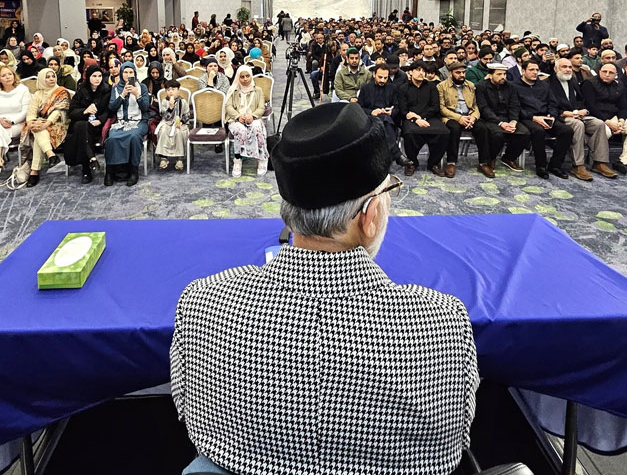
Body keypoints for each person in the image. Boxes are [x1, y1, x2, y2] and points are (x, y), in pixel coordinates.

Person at [172, 102, 478, 475]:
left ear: (289, 210)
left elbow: (187, 415)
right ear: (368, 218)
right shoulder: (442, 321)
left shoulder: (204, 302)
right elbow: (456, 442)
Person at [580, 63, 627, 175]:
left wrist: (621, 121)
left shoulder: (619, 86)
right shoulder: (589, 83)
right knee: (606, 132)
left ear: (616, 75)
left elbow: (623, 106)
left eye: (611, 73)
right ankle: (596, 161)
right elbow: (590, 106)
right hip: (596, 117)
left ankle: (624, 162)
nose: (607, 75)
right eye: (604, 72)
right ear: (599, 72)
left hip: (614, 117)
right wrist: (608, 122)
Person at [514, 60, 573, 180]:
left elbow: (553, 103)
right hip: (527, 118)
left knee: (567, 131)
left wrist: (552, 116)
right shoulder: (514, 86)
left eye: (537, 70)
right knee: (538, 131)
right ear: (523, 71)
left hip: (546, 116)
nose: (535, 72)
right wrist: (534, 118)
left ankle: (555, 165)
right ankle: (541, 165)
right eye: (531, 70)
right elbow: (515, 108)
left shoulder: (544, 85)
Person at [547, 58, 604, 181]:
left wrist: (585, 111)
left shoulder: (572, 81)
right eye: (564, 67)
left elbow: (582, 100)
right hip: (561, 117)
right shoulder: (548, 83)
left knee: (599, 123)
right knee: (578, 125)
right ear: (556, 68)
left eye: (569, 67)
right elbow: (548, 106)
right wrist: (564, 113)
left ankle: (599, 162)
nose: (568, 70)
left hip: (577, 114)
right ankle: (578, 165)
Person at [473, 63, 529, 178]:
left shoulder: (510, 87)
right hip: (490, 119)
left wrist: (513, 121)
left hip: (508, 118)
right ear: (490, 75)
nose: (503, 76)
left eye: (504, 74)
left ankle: (508, 157)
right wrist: (500, 123)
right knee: (497, 134)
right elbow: (484, 108)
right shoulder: (481, 86)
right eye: (499, 74)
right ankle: (490, 159)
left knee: (525, 133)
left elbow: (515, 105)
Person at [0, 65, 32, 187]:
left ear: (14, 75)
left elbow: (25, 111)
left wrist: (11, 121)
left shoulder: (23, 90)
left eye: (10, 74)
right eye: (3, 75)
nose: (7, 77)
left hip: (17, 124)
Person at [397, 61, 449, 177]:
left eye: (423, 71)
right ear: (410, 72)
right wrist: (416, 120)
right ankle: (412, 163)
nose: (421, 73)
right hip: (411, 119)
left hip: (429, 117)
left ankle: (433, 163)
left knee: (444, 132)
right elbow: (403, 110)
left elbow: (435, 106)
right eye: (418, 70)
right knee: (409, 133)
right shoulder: (403, 88)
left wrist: (421, 117)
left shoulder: (432, 86)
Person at [22, 68, 70, 187]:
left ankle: (35, 171)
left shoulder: (61, 91)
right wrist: (31, 122)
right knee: (37, 127)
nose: (51, 79)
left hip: (58, 124)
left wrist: (46, 123)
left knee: (39, 130)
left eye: (53, 76)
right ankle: (51, 155)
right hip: (40, 124)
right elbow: (31, 113)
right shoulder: (37, 94)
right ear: (42, 79)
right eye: (47, 77)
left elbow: (59, 111)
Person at [104, 62, 150, 187]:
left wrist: (137, 94)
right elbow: (112, 108)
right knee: (112, 138)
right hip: (121, 122)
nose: (128, 75)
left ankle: (133, 171)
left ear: (134, 74)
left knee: (134, 137)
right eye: (125, 72)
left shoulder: (142, 87)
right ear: (121, 73)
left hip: (139, 121)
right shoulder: (115, 88)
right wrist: (123, 94)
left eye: (131, 72)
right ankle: (110, 171)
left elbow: (146, 108)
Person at [62, 65, 111, 183]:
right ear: (88, 77)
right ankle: (90, 160)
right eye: (94, 76)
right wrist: (85, 111)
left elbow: (109, 110)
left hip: (98, 126)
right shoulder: (81, 91)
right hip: (83, 125)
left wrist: (100, 120)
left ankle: (86, 169)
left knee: (81, 129)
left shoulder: (107, 90)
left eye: (99, 76)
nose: (97, 79)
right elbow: (72, 112)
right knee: (81, 126)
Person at [437, 61, 479, 179]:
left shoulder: (470, 85)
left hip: (468, 115)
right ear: (451, 74)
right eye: (458, 72)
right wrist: (459, 118)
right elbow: (441, 108)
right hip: (451, 116)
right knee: (454, 128)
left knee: (483, 127)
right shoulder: (441, 86)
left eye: (463, 72)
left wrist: (473, 117)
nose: (461, 75)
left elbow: (475, 105)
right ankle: (451, 162)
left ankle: (484, 162)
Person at [226, 65, 268, 177]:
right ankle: (238, 160)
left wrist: (253, 116)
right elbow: (229, 107)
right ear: (238, 78)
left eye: (247, 76)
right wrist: (238, 116)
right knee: (240, 130)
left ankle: (262, 159)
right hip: (236, 119)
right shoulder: (233, 90)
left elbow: (261, 108)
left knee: (257, 128)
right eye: (242, 76)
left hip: (253, 118)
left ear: (251, 76)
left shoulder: (258, 90)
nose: (245, 79)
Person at [156, 79, 190, 171]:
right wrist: (170, 108)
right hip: (167, 122)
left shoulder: (183, 101)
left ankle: (179, 158)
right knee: (163, 131)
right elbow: (164, 116)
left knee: (179, 132)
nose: (170, 91)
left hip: (180, 123)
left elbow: (187, 115)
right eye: (168, 90)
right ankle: (164, 157)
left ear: (178, 90)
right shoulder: (164, 102)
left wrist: (182, 121)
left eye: (173, 89)